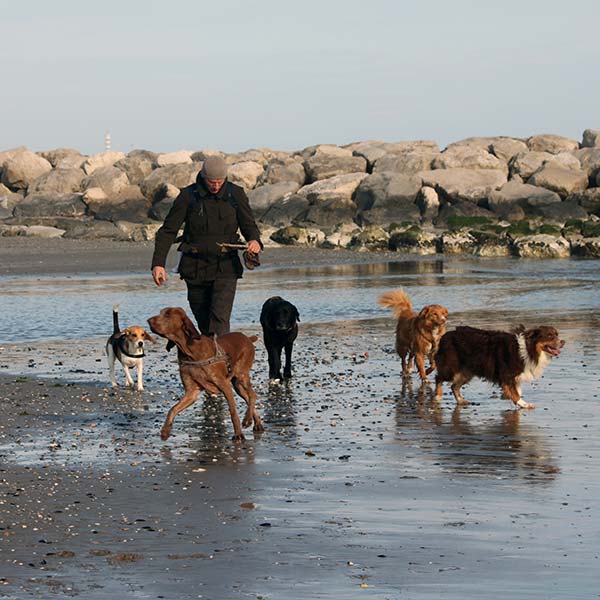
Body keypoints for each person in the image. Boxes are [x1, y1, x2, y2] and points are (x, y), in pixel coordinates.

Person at [151, 155, 262, 336]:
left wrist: (254, 240)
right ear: (203, 177)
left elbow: (249, 226)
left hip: (226, 266)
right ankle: (212, 358)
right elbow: (168, 231)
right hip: (194, 267)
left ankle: (220, 361)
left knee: (219, 319)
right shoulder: (188, 196)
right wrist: (158, 264)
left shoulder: (236, 194)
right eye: (212, 182)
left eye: (220, 182)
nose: (216, 186)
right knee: (204, 323)